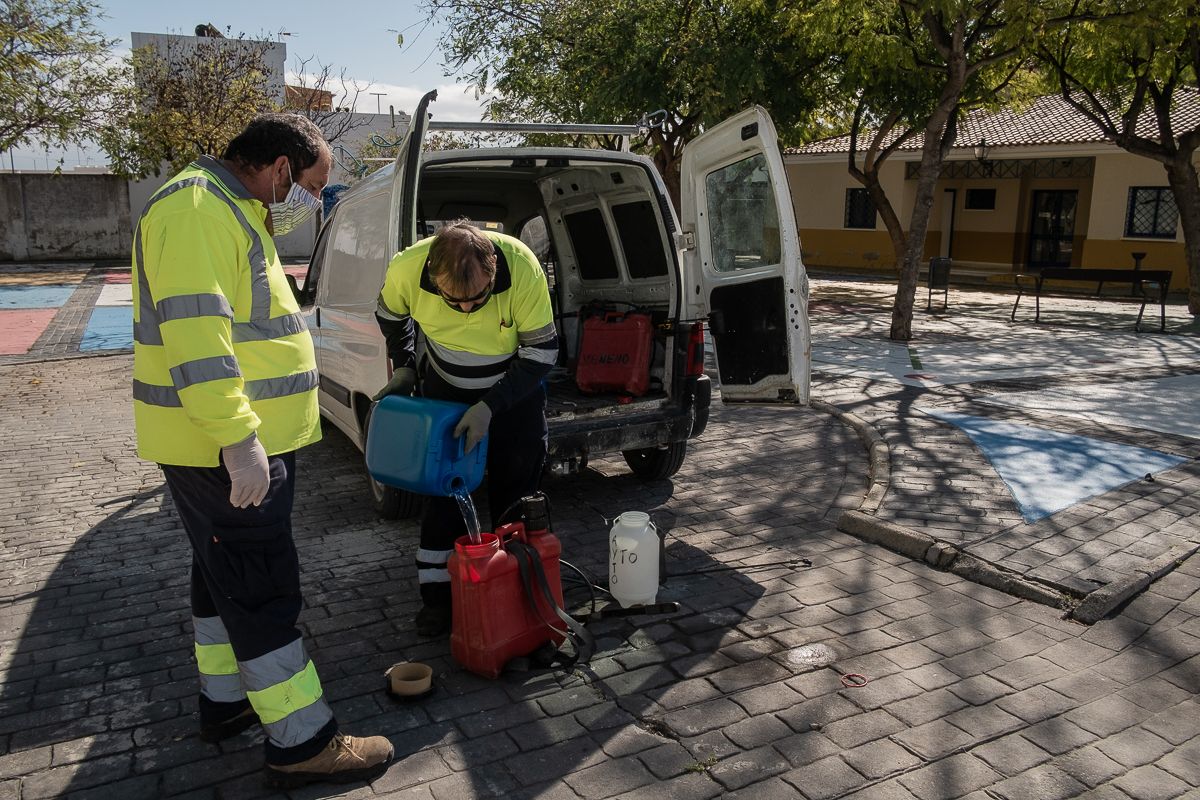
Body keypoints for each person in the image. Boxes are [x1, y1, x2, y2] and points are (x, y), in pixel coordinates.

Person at [131, 113, 393, 789]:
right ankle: (302, 739)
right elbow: (197, 335)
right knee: (261, 584)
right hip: (225, 449)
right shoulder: (197, 209)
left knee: (221, 576)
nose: (310, 198)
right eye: (311, 183)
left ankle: (226, 705)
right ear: (279, 167)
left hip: (224, 444)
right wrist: (239, 439)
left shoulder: (226, 206)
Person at [374, 222, 558, 635]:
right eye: (453, 302)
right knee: (445, 495)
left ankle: (520, 592)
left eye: (478, 299)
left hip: (514, 392)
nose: (466, 311)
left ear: (494, 271)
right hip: (445, 393)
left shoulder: (523, 268)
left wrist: (489, 408)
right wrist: (404, 367)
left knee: (518, 494)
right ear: (431, 278)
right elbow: (389, 315)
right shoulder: (407, 268)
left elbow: (542, 353)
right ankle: (438, 601)